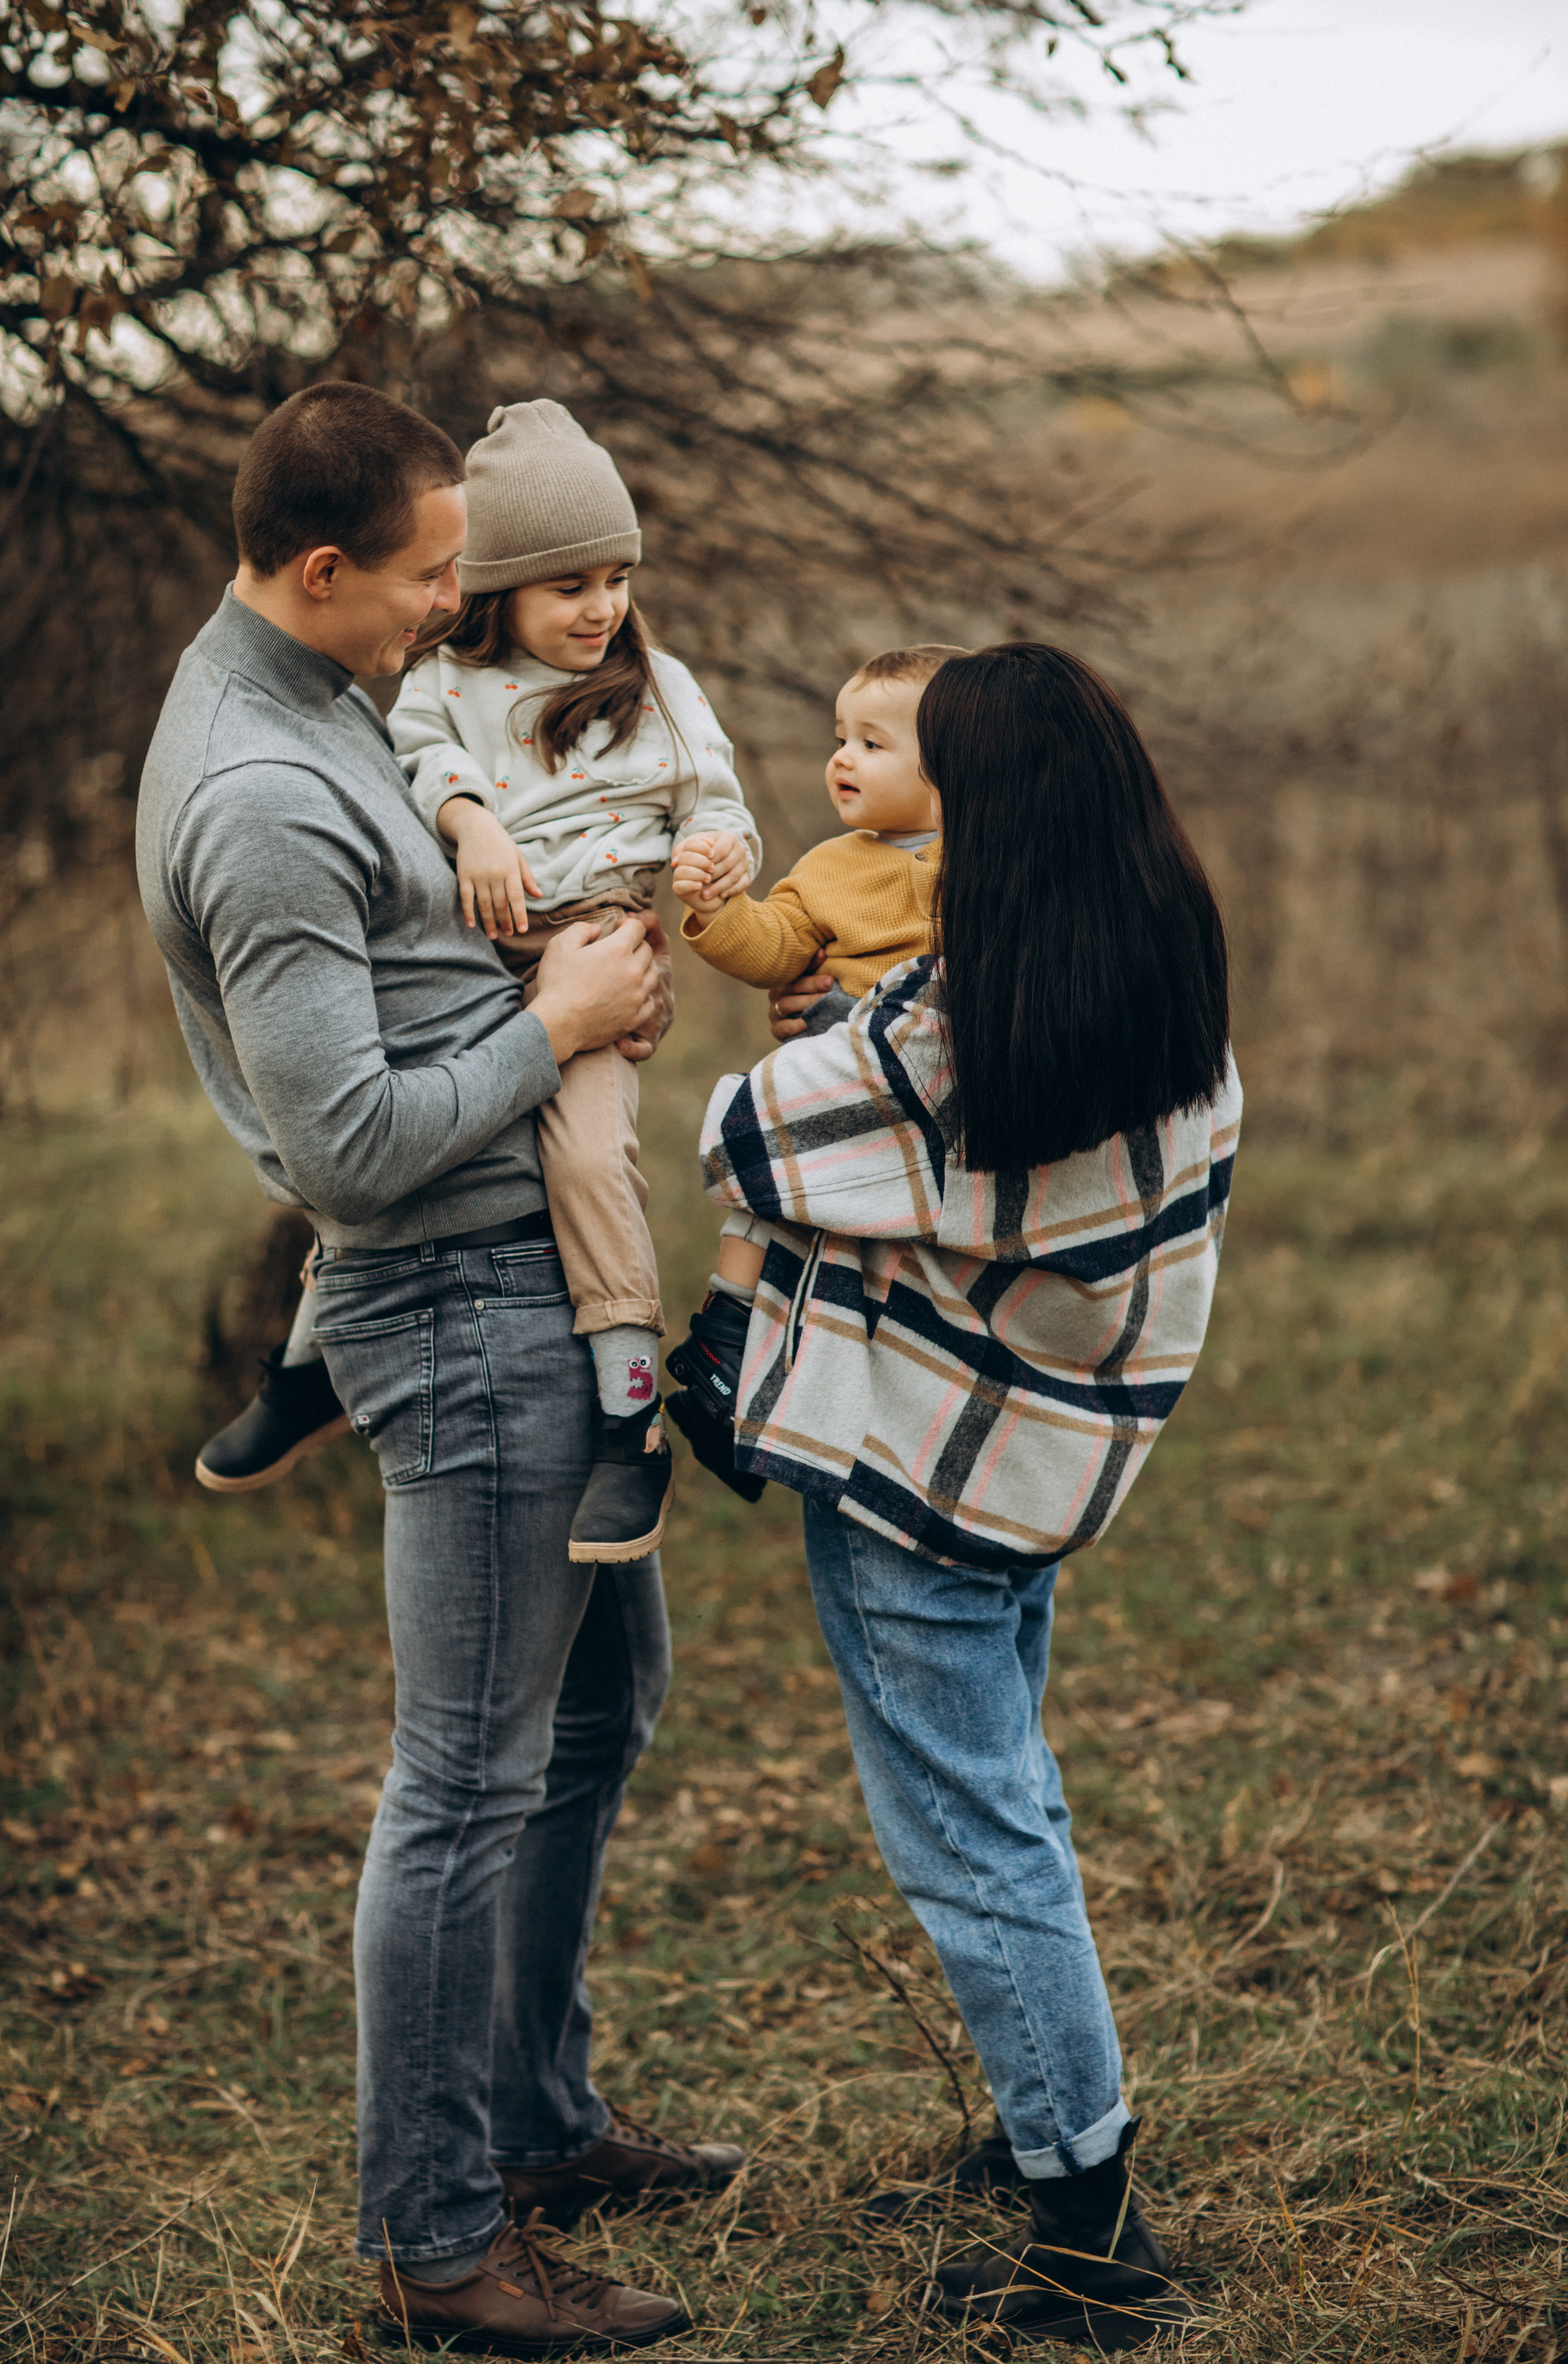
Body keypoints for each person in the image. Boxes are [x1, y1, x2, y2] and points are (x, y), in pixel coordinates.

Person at [137, 380, 742, 2357]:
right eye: (423, 584)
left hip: (530, 1287)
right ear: (323, 571)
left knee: (598, 1713)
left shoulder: (330, 702)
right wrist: (562, 1007)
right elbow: (350, 1149)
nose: (446, 614)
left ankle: (538, 2114)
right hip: (462, 1305)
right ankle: (438, 2240)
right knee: (467, 1783)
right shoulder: (258, 793)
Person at [694, 643, 1242, 2352]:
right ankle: (1048, 2127)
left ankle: (1088, 2233)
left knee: (975, 1841)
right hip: (1044, 1466)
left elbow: (749, 1138)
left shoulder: (943, 1032)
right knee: (1015, 1800)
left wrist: (825, 1020)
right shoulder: (1162, 980)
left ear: (984, 815)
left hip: (917, 1484)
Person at [195, 397, 760, 1565]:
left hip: (595, 944)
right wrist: (471, 824)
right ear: (499, 592)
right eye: (570, 587)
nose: (602, 608)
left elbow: (718, 805)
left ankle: (628, 1416)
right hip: (481, 937)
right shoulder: (443, 684)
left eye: (616, 579)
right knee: (373, 1121)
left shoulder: (662, 692)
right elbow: (421, 756)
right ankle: (306, 1367)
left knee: (590, 1161)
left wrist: (715, 858)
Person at [664, 644, 962, 1501]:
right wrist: (719, 909)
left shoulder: (984, 867)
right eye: (841, 737)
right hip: (838, 1087)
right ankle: (728, 1339)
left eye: (873, 744)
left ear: (949, 771)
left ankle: (739, 1361)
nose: (843, 758)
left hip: (920, 1103)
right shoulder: (833, 867)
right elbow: (774, 945)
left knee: (826, 1237)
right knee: (771, 1193)